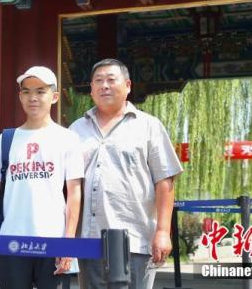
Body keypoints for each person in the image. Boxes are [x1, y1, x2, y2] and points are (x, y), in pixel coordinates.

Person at [69, 59, 183, 289]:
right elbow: (69, 187)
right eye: (98, 81)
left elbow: (165, 181)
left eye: (111, 80)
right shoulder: (76, 129)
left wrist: (163, 231)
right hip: (89, 241)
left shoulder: (149, 126)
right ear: (91, 89)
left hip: (136, 240)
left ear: (128, 85)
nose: (104, 86)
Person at [0, 66, 83, 289]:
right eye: (27, 91)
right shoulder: (7, 138)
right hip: (11, 239)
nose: (33, 97)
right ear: (20, 96)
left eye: (40, 91)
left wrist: (68, 241)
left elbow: (74, 193)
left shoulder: (68, 138)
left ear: (54, 96)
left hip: (53, 240)